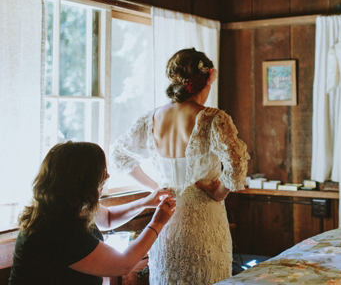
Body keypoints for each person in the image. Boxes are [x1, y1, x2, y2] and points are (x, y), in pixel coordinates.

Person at [110, 47, 250, 284]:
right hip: (205, 221)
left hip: (165, 222)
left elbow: (119, 156)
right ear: (205, 82)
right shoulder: (213, 118)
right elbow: (237, 165)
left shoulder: (151, 118)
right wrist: (217, 192)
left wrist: (157, 187)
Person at [9, 141, 176, 285]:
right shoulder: (57, 229)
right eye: (101, 170)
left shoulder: (63, 204)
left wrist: (145, 203)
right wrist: (157, 223)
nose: (107, 175)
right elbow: (123, 264)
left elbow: (108, 218)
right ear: (82, 179)